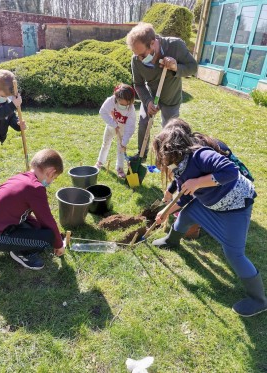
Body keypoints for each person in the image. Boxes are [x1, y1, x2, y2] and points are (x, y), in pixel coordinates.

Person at [151, 120, 267, 317]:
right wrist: (165, 212)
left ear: (174, 148)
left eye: (163, 154)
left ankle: (259, 300)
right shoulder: (180, 165)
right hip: (211, 202)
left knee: (234, 253)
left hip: (235, 206)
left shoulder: (200, 155)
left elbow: (229, 171)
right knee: (187, 213)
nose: (162, 159)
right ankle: (172, 241)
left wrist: (198, 182)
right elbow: (185, 196)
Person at [126, 22, 197, 162]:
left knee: (170, 130)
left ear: (152, 43)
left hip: (171, 97)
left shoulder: (175, 46)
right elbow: (138, 85)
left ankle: (169, 159)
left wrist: (176, 66)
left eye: (142, 54)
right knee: (143, 122)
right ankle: (141, 155)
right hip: (151, 95)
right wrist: (148, 102)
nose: (139, 58)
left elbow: (193, 67)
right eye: (136, 55)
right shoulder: (136, 60)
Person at [0, 149, 65, 270]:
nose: (51, 181)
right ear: (50, 172)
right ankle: (22, 253)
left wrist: (38, 228)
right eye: (54, 178)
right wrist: (58, 243)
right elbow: (46, 219)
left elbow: (23, 213)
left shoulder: (21, 177)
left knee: (39, 229)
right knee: (47, 238)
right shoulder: (36, 188)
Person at [0, 69, 25, 196]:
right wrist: (13, 105)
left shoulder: (6, 101)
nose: (6, 99)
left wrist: (18, 125)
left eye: (8, 97)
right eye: (4, 96)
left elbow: (10, 117)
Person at [95, 83, 136, 178]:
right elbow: (102, 112)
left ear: (130, 101)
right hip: (111, 126)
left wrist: (124, 142)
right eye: (118, 101)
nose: (120, 103)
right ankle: (100, 162)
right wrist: (113, 124)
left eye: (123, 103)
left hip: (123, 130)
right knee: (105, 144)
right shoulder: (111, 100)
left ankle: (120, 168)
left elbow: (130, 127)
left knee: (120, 148)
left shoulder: (131, 110)